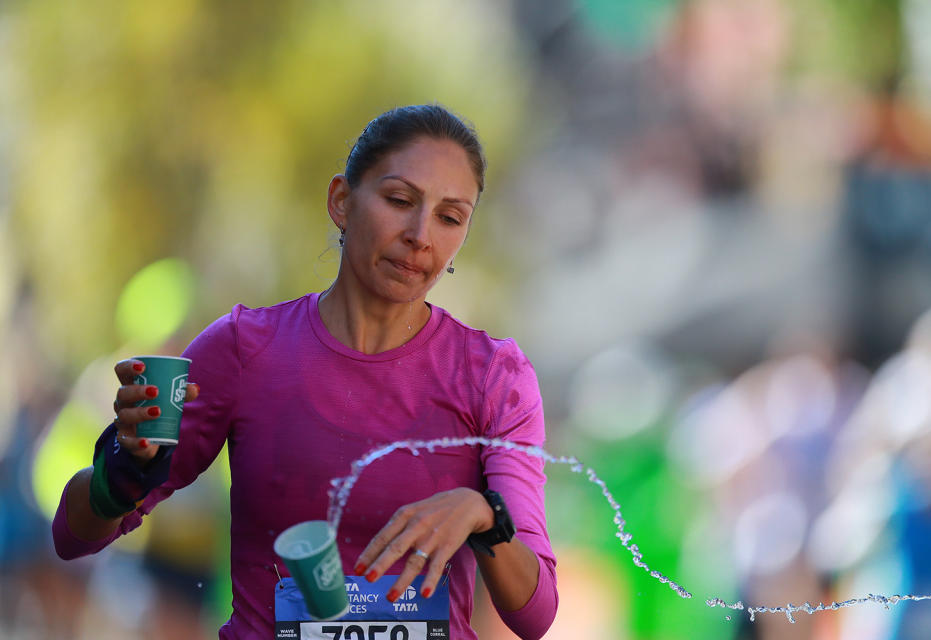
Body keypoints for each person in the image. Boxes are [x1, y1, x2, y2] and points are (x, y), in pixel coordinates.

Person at [52, 104, 559, 640]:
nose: (420, 234)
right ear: (341, 201)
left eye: (450, 217)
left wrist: (484, 515)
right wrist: (122, 470)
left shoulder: (493, 377)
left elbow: (535, 613)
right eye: (399, 200)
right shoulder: (245, 348)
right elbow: (73, 537)